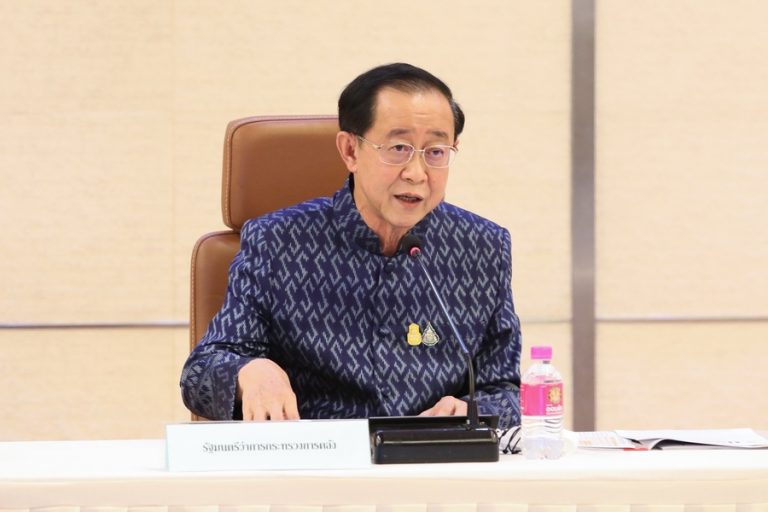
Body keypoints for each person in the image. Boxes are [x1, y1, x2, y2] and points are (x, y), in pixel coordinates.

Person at [180, 63, 522, 428]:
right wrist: (249, 371)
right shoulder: (278, 242)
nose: (417, 173)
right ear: (350, 151)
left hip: (428, 456)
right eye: (398, 148)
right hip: (316, 456)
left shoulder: (482, 248)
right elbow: (200, 375)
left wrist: (471, 409)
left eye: (436, 152)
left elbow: (507, 391)